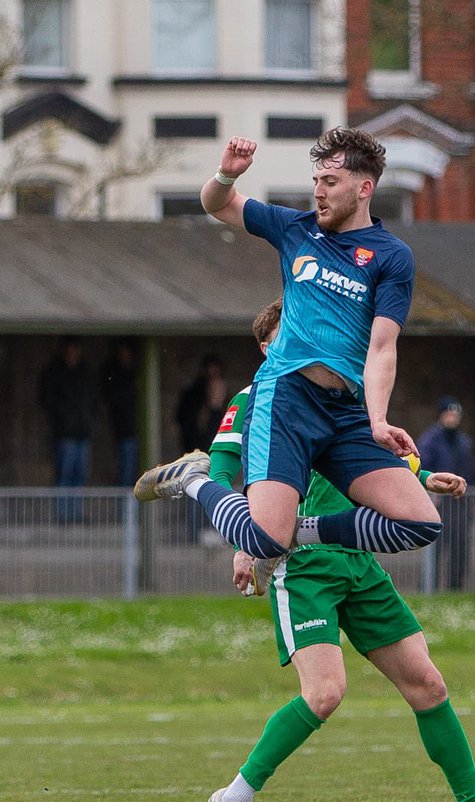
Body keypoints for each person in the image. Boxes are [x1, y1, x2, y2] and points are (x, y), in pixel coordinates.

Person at [205, 299, 475, 802]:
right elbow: (220, 468)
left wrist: (424, 478)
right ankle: (232, 798)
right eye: (291, 332)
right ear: (267, 347)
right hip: (304, 570)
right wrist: (244, 541)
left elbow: (367, 462)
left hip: (358, 563)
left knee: (428, 684)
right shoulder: (254, 400)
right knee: (325, 694)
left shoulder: (341, 391)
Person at [133, 128, 442, 574]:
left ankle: (298, 532)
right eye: (316, 181)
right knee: (262, 539)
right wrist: (226, 173)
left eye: (330, 183)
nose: (318, 192)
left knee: (418, 524)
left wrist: (377, 420)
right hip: (287, 397)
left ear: (364, 187)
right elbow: (217, 204)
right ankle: (194, 480)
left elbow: (382, 346)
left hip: (345, 411)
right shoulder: (296, 229)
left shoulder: (392, 256)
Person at [417, 397, 475, 591]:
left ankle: (455, 587)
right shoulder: (430, 440)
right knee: (434, 546)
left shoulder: (464, 442)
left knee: (459, 547)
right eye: (449, 414)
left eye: (456, 415)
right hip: (438, 502)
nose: (453, 418)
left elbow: (469, 469)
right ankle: (429, 586)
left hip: (459, 502)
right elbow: (422, 464)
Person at [38, 336, 96, 523]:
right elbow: (47, 399)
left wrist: (89, 421)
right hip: (64, 433)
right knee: (64, 473)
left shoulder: (85, 372)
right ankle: (62, 515)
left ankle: (76, 513)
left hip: (82, 432)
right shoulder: (55, 372)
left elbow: (92, 400)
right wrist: (62, 418)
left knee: (80, 475)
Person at [175, 353, 228, 543]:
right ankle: (195, 533)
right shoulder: (194, 397)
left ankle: (214, 531)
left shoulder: (224, 407)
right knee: (195, 492)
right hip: (197, 455)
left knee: (216, 491)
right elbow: (189, 426)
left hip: (216, 457)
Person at [99, 339, 139, 487]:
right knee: (126, 472)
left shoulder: (135, 373)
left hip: (135, 431)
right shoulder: (115, 375)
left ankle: (132, 509)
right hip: (124, 431)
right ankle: (126, 510)